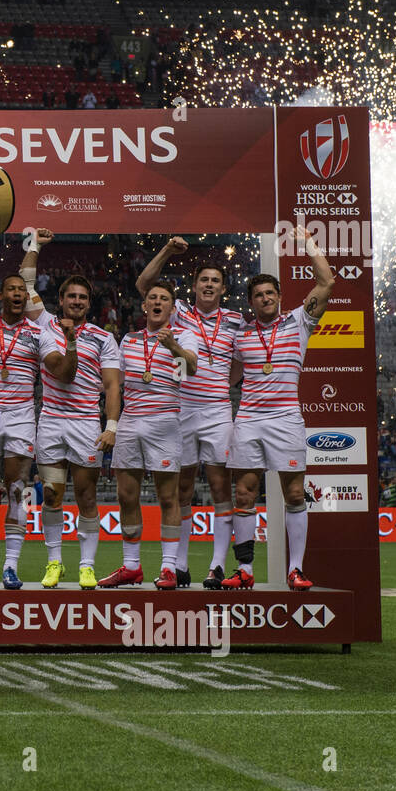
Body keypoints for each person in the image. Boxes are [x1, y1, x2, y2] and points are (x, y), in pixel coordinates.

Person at [225, 226, 335, 590]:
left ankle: (295, 569)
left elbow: (326, 282)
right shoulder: (241, 335)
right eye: (258, 295)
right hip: (249, 420)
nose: (265, 298)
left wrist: (308, 243)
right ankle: (245, 569)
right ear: (251, 302)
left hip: (286, 418)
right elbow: (227, 376)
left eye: (270, 293)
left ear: (279, 296)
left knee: (294, 494)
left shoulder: (299, 321)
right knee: (244, 494)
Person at [136, 235, 245, 587]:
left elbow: (240, 364)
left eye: (215, 281)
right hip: (181, 409)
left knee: (219, 487)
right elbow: (144, 285)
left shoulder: (235, 320)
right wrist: (167, 250)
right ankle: (179, 566)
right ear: (194, 285)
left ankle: (216, 566)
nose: (209, 285)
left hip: (216, 412)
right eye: (203, 280)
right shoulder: (179, 310)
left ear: (223, 288)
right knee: (181, 489)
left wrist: (219, 385)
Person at [0, 227, 52, 588]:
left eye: (22, 290)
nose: (17, 293)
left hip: (21, 415)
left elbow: (29, 279)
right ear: (1, 295)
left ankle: (11, 566)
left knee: (17, 488)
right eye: (11, 289)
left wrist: (34, 247)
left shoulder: (38, 331)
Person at [103, 279, 199, 589]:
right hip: (131, 421)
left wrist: (173, 347)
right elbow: (116, 382)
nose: (158, 302)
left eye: (164, 299)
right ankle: (131, 566)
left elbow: (191, 369)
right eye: (153, 298)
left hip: (165, 420)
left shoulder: (184, 335)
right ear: (145, 306)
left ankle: (169, 568)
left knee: (168, 497)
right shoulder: (129, 339)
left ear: (172, 308)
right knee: (126, 496)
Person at [33, 272, 122, 588]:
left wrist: (112, 426)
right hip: (51, 421)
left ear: (89, 303)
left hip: (85, 423)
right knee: (52, 495)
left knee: (86, 495)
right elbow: (63, 373)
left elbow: (112, 386)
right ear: (60, 300)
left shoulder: (103, 338)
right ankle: (54, 562)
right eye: (71, 296)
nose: (77, 301)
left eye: (82, 297)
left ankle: (86, 566)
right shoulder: (45, 330)